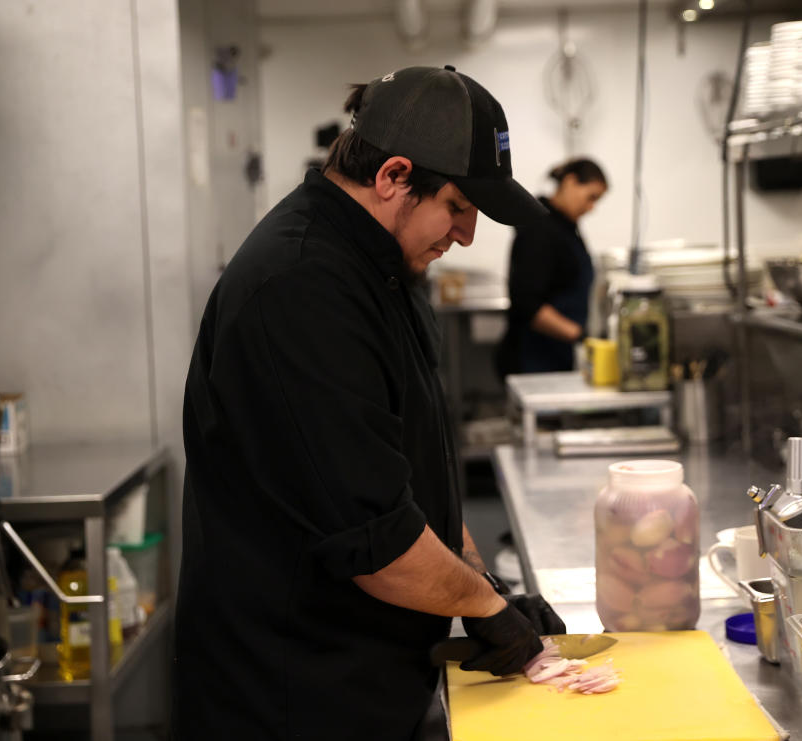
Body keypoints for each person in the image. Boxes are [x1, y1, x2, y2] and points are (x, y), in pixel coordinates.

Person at [174, 66, 568, 740]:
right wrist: (480, 602)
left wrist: (482, 583)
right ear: (392, 177)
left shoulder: (384, 270)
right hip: (289, 697)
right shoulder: (301, 289)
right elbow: (374, 540)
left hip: (363, 680)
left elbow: (411, 471)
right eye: (458, 208)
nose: (467, 235)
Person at [497, 158, 608, 376]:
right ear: (570, 182)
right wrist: (580, 336)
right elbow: (527, 304)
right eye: (591, 197)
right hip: (533, 359)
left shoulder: (566, 227)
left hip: (557, 356)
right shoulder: (538, 229)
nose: (592, 208)